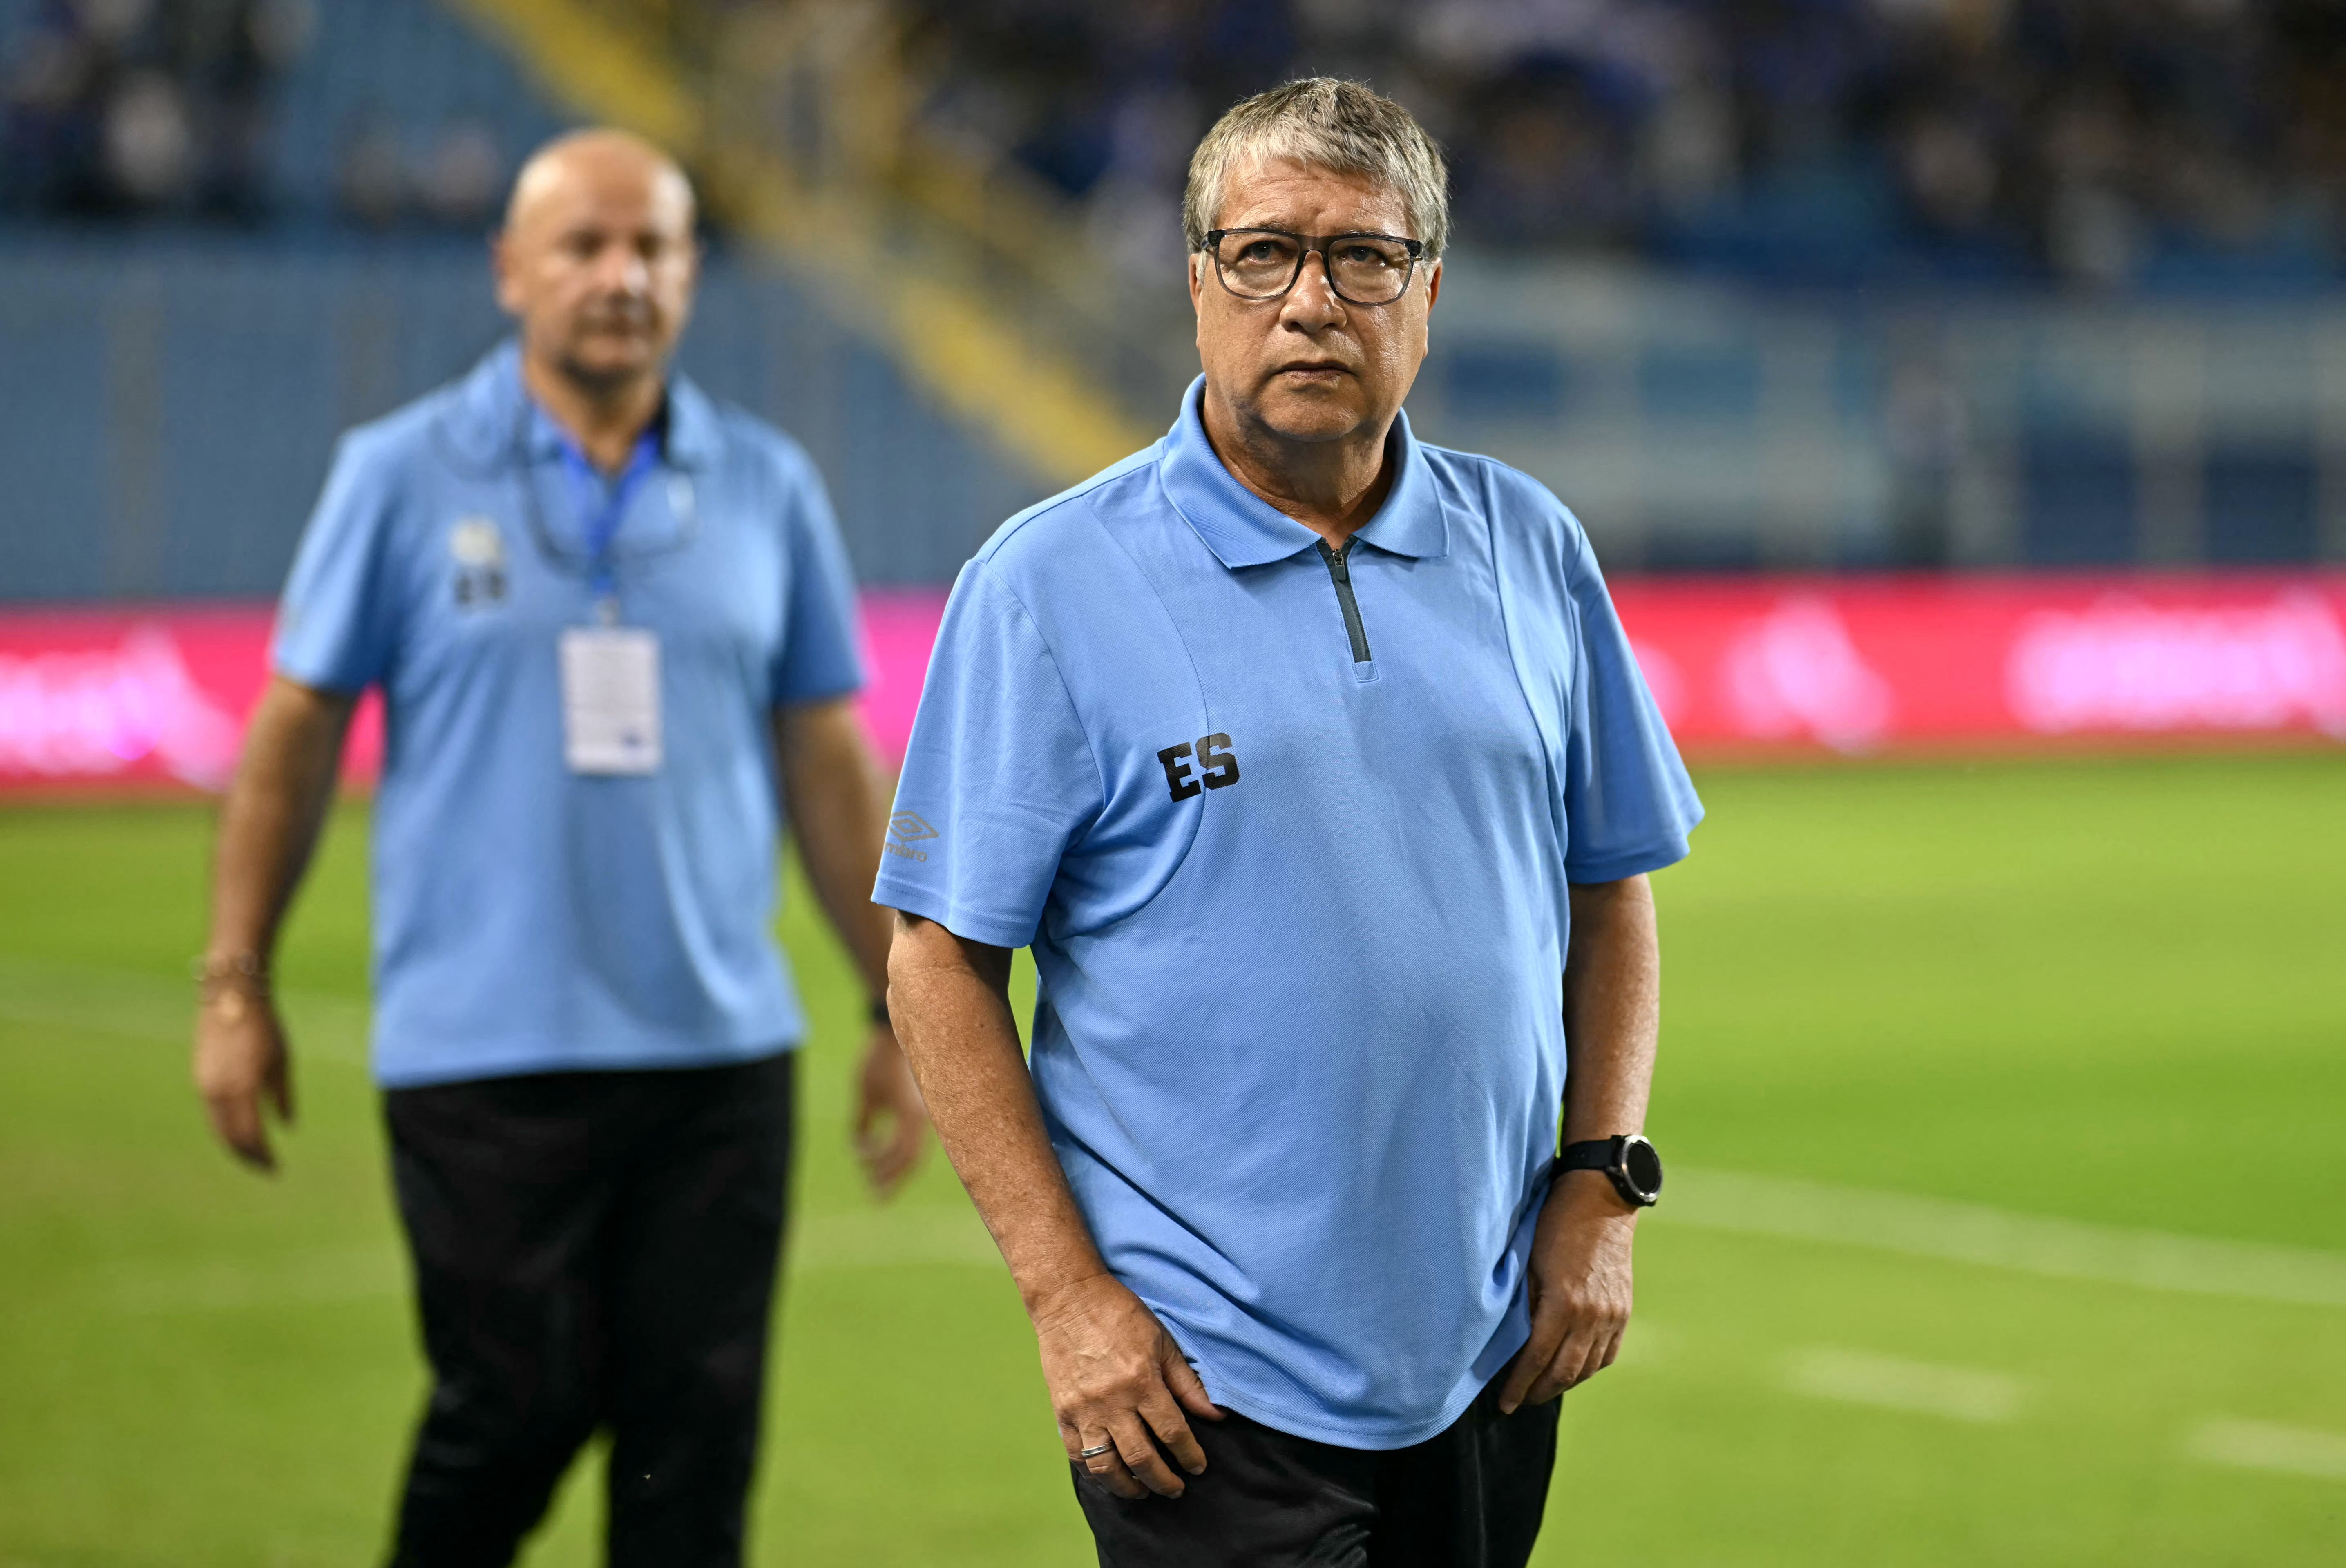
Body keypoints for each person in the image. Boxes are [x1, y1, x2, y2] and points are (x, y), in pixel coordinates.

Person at [877, 78, 1702, 1566]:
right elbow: (937, 965)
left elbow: (1611, 891)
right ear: (1198, 283)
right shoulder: (1048, 585)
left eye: (1362, 259)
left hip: (1489, 1350)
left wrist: (1607, 1179)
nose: (1312, 301)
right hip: (1200, 1384)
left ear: (1429, 294)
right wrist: (1070, 1301)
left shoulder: (1532, 547)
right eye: (1264, 254)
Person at [190, 128, 926, 1567]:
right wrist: (236, 985)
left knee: (694, 1458)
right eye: (583, 246)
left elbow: (829, 769)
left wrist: (894, 999)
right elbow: (290, 738)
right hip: (484, 1060)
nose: (620, 276)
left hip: (717, 1066)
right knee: (511, 1412)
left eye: (651, 246)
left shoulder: (768, 486)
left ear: (693, 275)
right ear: (509, 271)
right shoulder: (397, 475)